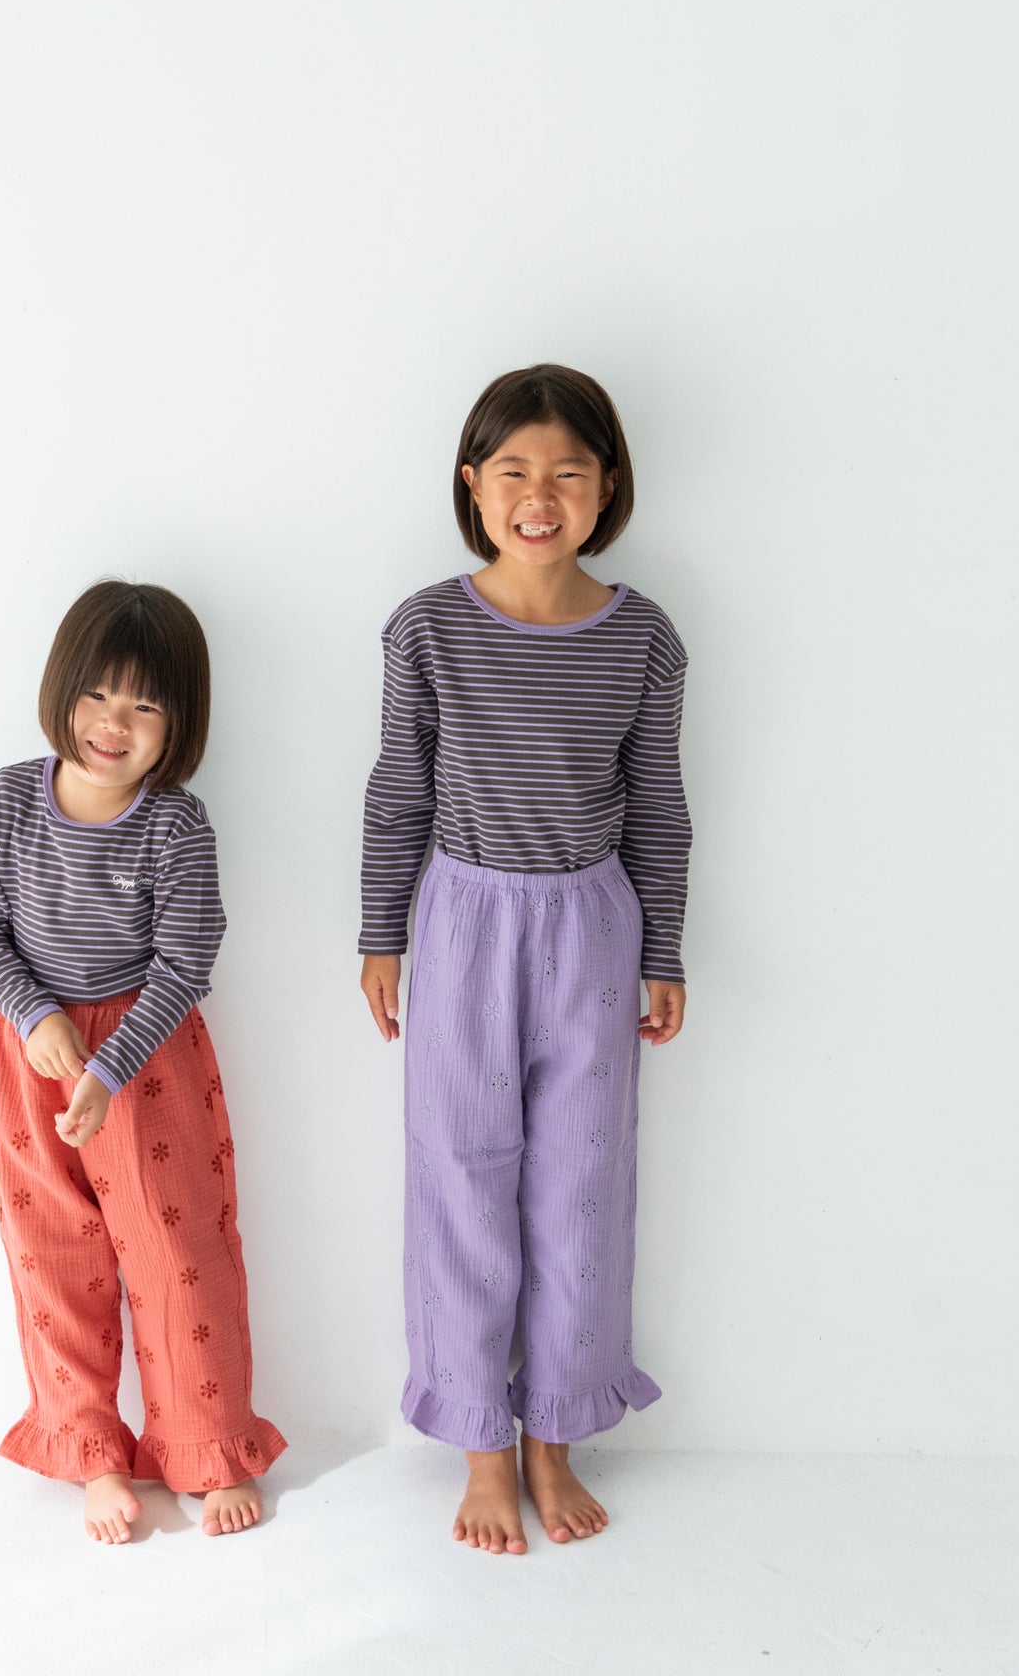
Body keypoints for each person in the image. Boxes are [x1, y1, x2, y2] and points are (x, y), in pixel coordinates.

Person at [359, 364, 691, 1555]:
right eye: (513, 472)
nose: (538, 496)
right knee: (460, 1178)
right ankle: (480, 1447)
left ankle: (556, 1435)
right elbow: (398, 790)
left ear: (607, 487)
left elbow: (659, 804)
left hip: (593, 928)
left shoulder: (644, 637)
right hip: (461, 924)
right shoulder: (427, 628)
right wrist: (381, 933)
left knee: (580, 1187)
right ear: (474, 485)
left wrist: (665, 948)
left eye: (566, 472)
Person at [0, 579, 286, 1544]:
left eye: (145, 705)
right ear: (63, 688)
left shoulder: (176, 825)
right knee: (54, 1255)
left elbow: (186, 964)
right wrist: (35, 1016)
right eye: (98, 693)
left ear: (179, 724)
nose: (114, 722)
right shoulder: (5, 802)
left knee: (181, 1257)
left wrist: (107, 1070)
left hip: (149, 1063)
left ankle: (206, 1445)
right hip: (30, 1059)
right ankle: (90, 1452)